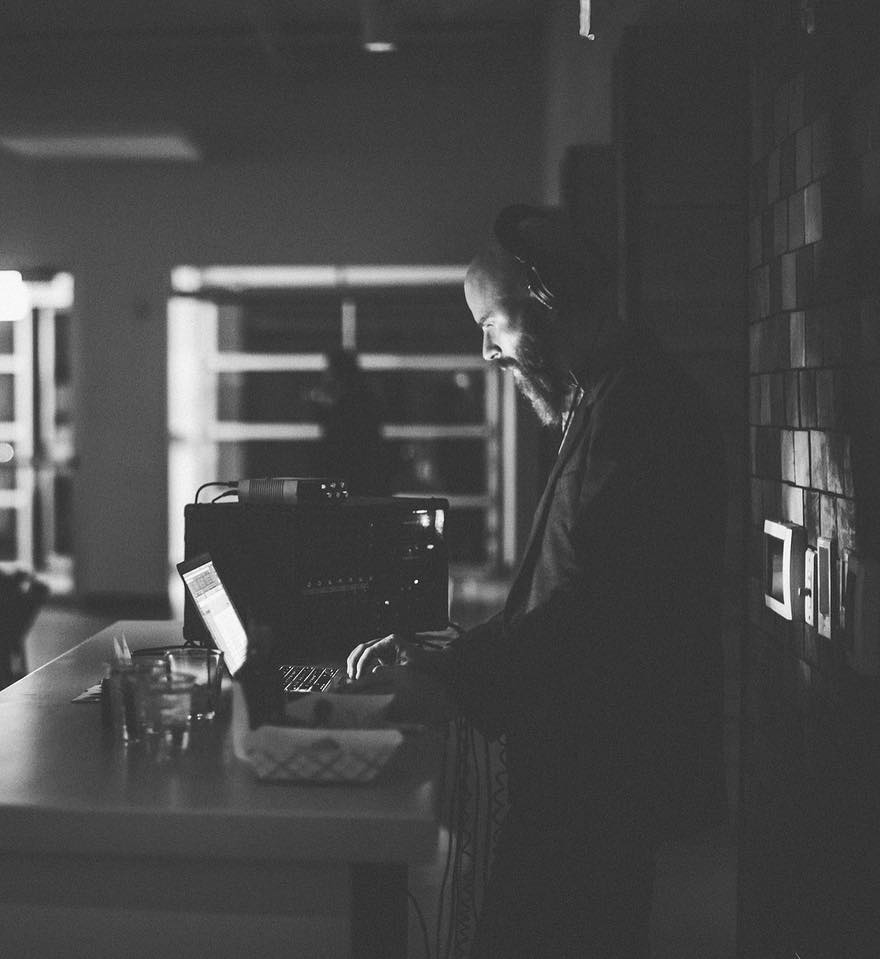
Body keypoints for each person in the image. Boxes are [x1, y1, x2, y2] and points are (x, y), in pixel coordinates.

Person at [347, 205, 727, 958]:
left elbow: (591, 607)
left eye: (493, 322)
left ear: (549, 301)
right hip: (591, 769)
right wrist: (450, 652)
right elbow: (564, 587)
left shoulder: (638, 412)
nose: (487, 351)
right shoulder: (612, 397)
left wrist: (452, 678)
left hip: (596, 780)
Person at [307, 348, 389, 496]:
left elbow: (338, 444)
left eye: (329, 369)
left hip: (352, 475)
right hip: (366, 474)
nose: (325, 374)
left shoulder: (346, 406)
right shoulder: (364, 399)